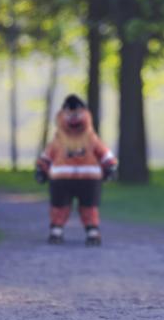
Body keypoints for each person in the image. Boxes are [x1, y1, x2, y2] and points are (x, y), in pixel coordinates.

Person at [35, 94, 117, 246]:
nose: (73, 118)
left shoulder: (61, 139)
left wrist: (41, 168)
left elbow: (47, 156)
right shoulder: (89, 138)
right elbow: (104, 153)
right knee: (86, 206)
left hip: (62, 177)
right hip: (88, 177)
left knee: (63, 205)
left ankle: (58, 231)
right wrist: (110, 166)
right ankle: (90, 232)